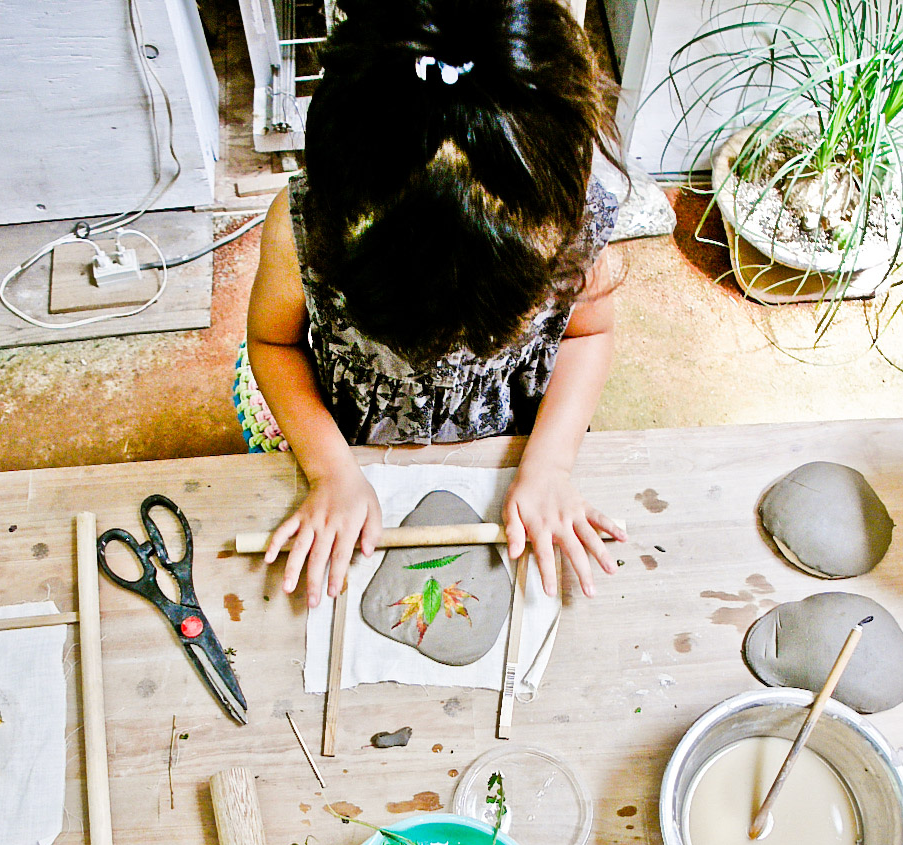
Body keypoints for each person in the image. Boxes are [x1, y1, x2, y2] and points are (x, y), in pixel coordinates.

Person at [238, 0, 627, 609]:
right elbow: (272, 342)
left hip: (504, 428)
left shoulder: (575, 227)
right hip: (346, 425)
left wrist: (549, 466)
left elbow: (586, 337)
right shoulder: (302, 231)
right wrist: (331, 471)